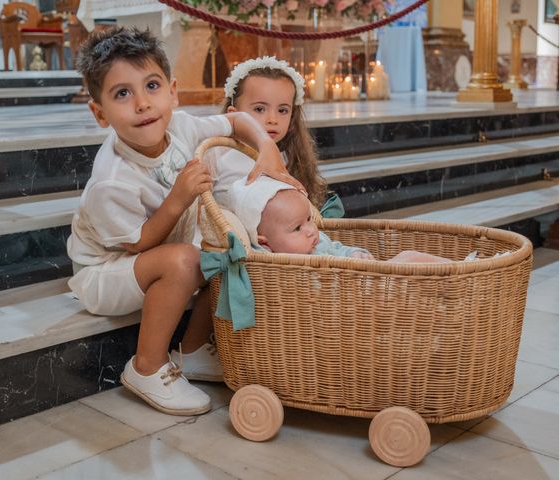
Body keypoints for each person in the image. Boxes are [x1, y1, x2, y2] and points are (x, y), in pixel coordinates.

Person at [67, 26, 301, 416]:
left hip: (157, 252)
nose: (142, 103)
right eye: (122, 93)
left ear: (173, 91)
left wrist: (266, 148)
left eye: (152, 86)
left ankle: (191, 350)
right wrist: (178, 197)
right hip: (107, 270)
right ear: (99, 113)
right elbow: (138, 243)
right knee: (186, 260)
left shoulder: (181, 127)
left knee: (226, 246)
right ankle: (146, 366)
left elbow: (239, 120)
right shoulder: (111, 180)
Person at [206, 56, 345, 218]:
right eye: (259, 109)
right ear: (233, 114)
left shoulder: (288, 159)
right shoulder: (217, 155)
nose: (273, 119)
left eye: (282, 110)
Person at [230, 175, 452, 264]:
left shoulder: (318, 243)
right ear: (266, 243)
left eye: (308, 219)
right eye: (297, 228)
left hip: (362, 285)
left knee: (408, 257)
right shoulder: (272, 263)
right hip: (351, 300)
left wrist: (354, 253)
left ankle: (460, 270)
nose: (310, 230)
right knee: (406, 261)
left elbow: (339, 249)